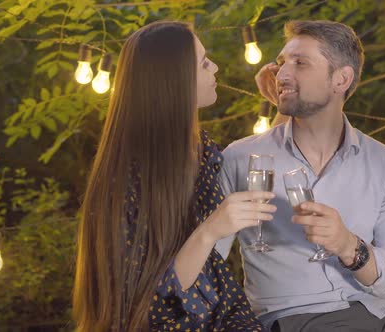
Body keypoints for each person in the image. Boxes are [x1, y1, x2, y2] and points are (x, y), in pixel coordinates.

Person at [216, 20, 385, 331]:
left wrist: (349, 246)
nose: (280, 74)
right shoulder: (241, 158)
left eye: (300, 63)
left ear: (341, 79)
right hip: (300, 316)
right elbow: (208, 261)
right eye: (282, 63)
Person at [72, 21, 276, 331]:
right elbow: (150, 302)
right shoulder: (130, 175)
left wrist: (284, 107)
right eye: (204, 63)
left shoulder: (199, 149)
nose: (216, 68)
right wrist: (209, 231)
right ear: (175, 80)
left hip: (217, 313)